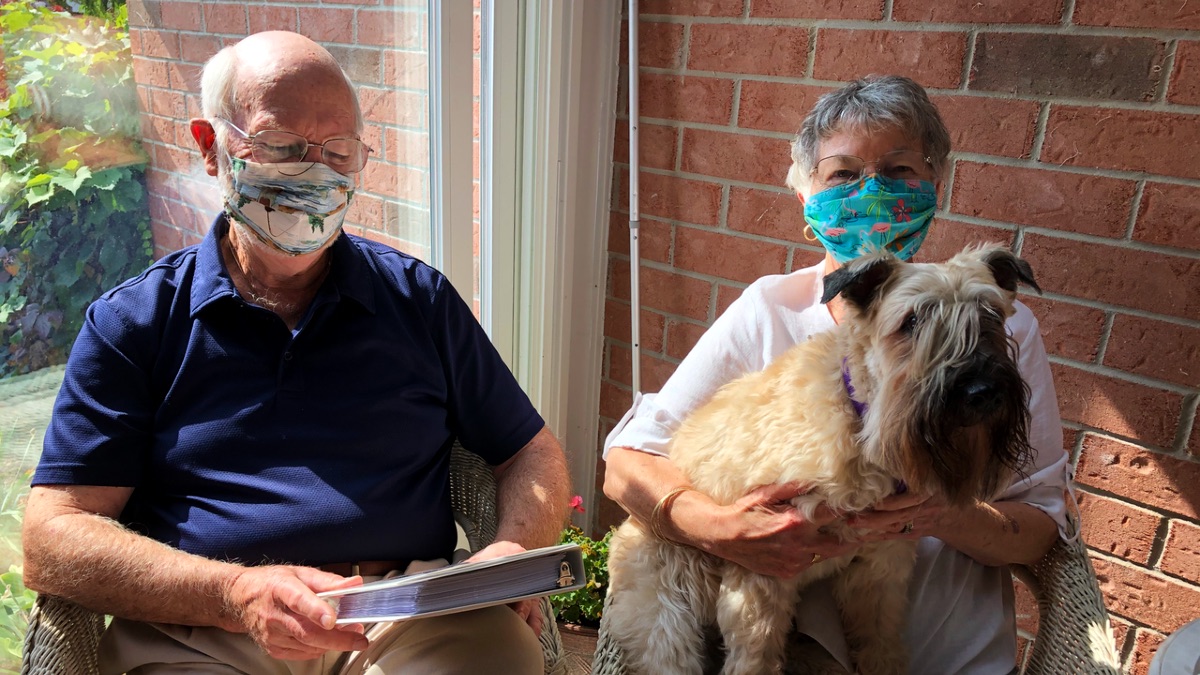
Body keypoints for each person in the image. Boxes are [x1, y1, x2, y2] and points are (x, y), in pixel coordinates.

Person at [23, 31, 570, 674]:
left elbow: (531, 450)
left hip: (403, 622)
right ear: (211, 148)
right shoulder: (134, 323)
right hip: (203, 633)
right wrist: (232, 594)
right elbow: (52, 536)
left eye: (338, 152)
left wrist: (508, 550)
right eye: (282, 148)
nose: (315, 174)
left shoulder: (417, 300)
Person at [602, 75, 1072, 674]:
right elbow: (627, 461)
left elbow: (1039, 529)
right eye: (843, 174)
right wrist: (724, 528)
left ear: (936, 183)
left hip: (950, 647)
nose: (872, 192)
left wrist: (928, 512)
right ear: (805, 193)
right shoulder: (770, 308)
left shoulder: (1000, 319)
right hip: (798, 645)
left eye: (899, 171)